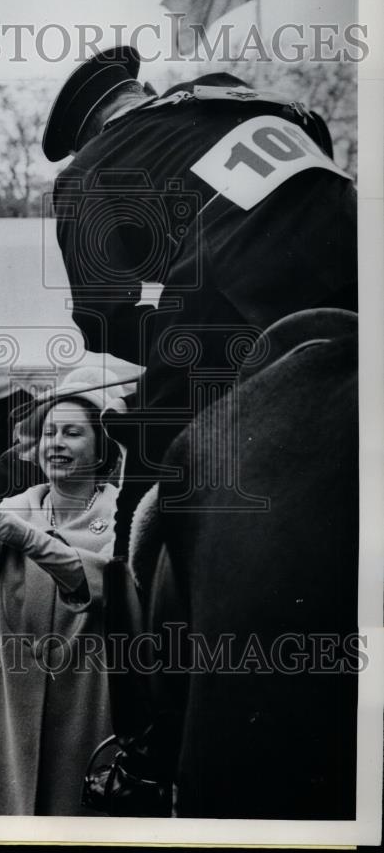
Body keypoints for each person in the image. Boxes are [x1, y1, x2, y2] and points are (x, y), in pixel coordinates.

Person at [42, 45, 358, 538]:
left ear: (88, 136)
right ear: (145, 91)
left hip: (230, 283)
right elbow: (314, 137)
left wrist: (175, 344)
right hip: (356, 244)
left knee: (150, 467)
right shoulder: (231, 91)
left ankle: (135, 598)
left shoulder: (85, 171)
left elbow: (101, 316)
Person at [0, 368, 123, 816]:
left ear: (102, 445)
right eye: (49, 432)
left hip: (87, 690)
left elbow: (103, 582)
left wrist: (27, 538)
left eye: (72, 433)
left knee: (80, 804)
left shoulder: (116, 512)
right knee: (17, 802)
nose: (56, 443)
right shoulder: (21, 504)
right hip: (18, 693)